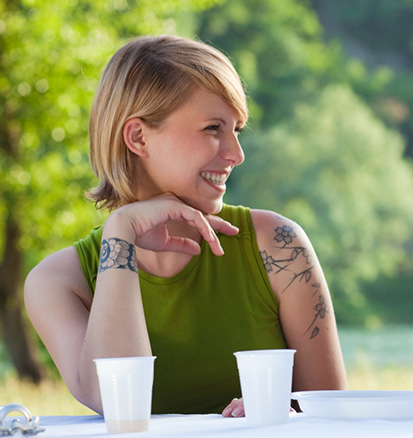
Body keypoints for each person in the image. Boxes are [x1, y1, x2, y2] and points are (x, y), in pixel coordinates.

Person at [24, 35, 347, 416]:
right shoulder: (56, 283)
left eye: (236, 130)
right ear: (138, 137)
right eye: (213, 128)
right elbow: (114, 402)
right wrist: (120, 233)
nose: (236, 154)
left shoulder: (278, 245)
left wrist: (283, 412)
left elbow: (331, 414)